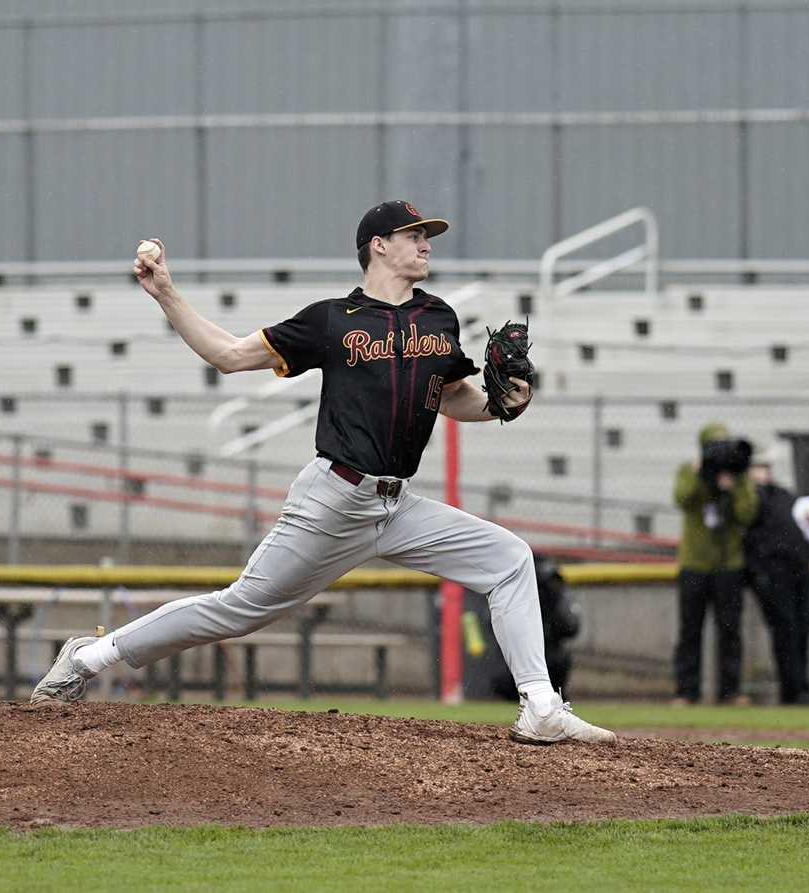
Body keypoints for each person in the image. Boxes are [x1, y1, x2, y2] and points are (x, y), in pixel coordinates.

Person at [30, 200, 616, 745]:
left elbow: (455, 396)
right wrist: (167, 294)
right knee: (240, 608)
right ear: (378, 246)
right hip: (334, 500)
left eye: (427, 236)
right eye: (415, 235)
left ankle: (539, 708)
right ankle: (88, 657)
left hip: (398, 506)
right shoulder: (332, 319)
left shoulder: (438, 317)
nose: (426, 245)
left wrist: (505, 401)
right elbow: (230, 355)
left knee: (510, 559)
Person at [673, 423, 758, 705]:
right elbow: (682, 499)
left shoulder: (739, 476)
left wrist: (732, 488)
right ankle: (686, 691)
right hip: (694, 563)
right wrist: (701, 476)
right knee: (690, 630)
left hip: (729, 564)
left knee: (730, 630)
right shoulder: (690, 470)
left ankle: (730, 691)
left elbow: (748, 513)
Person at [745, 450, 809, 704]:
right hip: (773, 573)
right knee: (786, 630)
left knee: (803, 628)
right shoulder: (749, 499)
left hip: (800, 571)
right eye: (756, 468)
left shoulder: (784, 495)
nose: (761, 472)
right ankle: (793, 690)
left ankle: (803, 687)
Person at [489, 553, 581, 702]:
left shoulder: (555, 598)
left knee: (557, 663)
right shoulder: (513, 594)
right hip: (516, 666)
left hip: (549, 661)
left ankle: (546, 705)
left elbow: (571, 628)